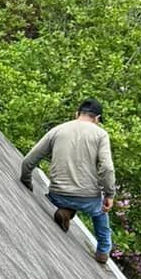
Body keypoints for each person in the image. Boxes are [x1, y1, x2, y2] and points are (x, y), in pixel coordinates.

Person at [19, 101, 116, 263]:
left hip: (57, 194)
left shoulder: (59, 129)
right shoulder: (101, 135)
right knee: (101, 211)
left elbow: (29, 159)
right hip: (87, 200)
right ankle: (103, 251)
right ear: (97, 119)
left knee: (73, 195)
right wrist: (109, 194)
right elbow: (107, 168)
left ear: (76, 113)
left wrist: (26, 180)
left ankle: (66, 210)